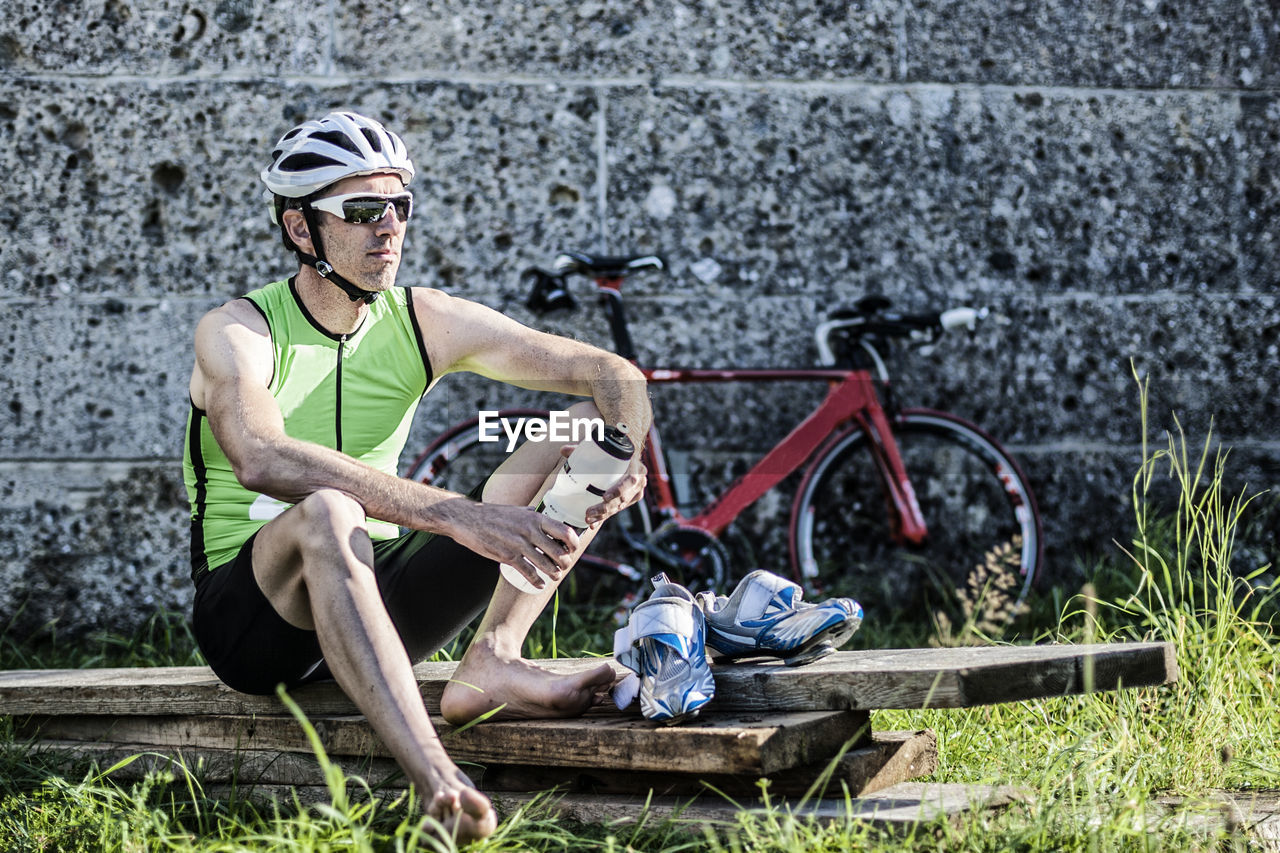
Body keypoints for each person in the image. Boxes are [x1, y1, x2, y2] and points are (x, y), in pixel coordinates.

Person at [182, 111, 650, 842]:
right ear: (303, 230)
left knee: (587, 430)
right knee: (330, 511)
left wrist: (623, 450)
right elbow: (262, 457)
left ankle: (493, 659)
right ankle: (437, 779)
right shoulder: (239, 332)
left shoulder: (419, 319)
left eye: (399, 206)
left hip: (380, 601)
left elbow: (609, 372)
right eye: (362, 211)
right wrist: (455, 512)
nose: (388, 227)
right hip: (254, 622)